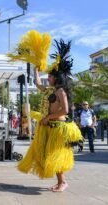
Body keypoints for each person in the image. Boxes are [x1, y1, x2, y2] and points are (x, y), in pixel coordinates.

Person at [9, 34, 83, 192]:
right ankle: (60, 182)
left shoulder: (61, 91)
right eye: (48, 76)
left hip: (59, 127)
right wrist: (36, 68)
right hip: (49, 126)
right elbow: (37, 83)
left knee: (55, 155)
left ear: (56, 78)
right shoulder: (50, 89)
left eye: (50, 76)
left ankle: (63, 182)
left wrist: (48, 117)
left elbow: (65, 110)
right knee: (49, 154)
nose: (47, 78)